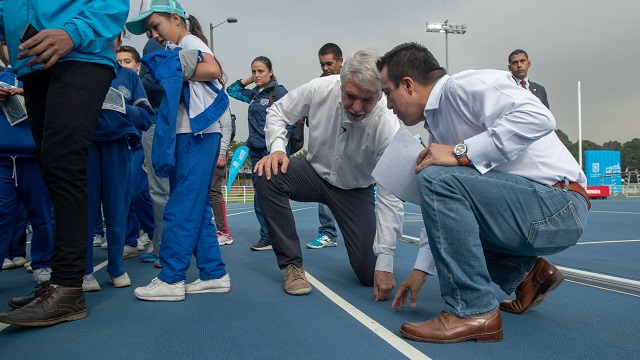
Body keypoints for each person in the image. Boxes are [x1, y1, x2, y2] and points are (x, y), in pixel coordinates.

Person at [376, 42, 589, 343]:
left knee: (436, 179)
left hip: (558, 205)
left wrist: (462, 152)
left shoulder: (464, 86)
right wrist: (421, 268)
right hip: (537, 212)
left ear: (408, 85)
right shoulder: (438, 129)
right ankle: (529, 277)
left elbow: (539, 117)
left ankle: (472, 310)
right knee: (439, 184)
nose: (387, 104)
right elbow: (443, 216)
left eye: (387, 92)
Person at [0, 0, 129, 327]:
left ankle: (69, 286)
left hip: (79, 54)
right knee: (52, 170)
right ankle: (59, 282)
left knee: (64, 164)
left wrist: (74, 32)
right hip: (31, 62)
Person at [253, 50, 404, 298]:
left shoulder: (388, 127)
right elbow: (277, 112)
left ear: (380, 95)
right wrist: (278, 149)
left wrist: (385, 264)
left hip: (355, 191)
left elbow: (390, 196)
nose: (356, 107)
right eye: (350, 96)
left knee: (369, 275)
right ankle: (292, 265)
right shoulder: (320, 88)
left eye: (367, 100)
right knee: (267, 173)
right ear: (341, 85)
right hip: (313, 174)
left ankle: (372, 263)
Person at [126, 0, 230, 301]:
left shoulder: (189, 40)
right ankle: (213, 273)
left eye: (155, 26)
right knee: (195, 209)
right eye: (149, 31)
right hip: (193, 134)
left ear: (175, 18)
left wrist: (173, 65)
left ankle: (172, 278)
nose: (154, 35)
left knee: (180, 207)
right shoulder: (183, 43)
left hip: (193, 135)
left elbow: (213, 68)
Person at [81, 32, 155, 292]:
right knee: (84, 211)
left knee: (117, 209)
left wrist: (122, 108)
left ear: (119, 41)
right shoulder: (78, 71)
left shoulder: (129, 76)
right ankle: (85, 271)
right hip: (85, 146)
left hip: (117, 147)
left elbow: (147, 115)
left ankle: (116, 267)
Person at [227, 56, 295, 251]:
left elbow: (292, 116)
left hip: (272, 151)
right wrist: (249, 80)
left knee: (277, 194)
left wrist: (283, 142)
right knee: (260, 195)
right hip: (256, 151)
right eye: (254, 71)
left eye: (260, 71)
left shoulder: (278, 92)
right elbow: (231, 90)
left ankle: (282, 236)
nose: (256, 75)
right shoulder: (254, 94)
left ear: (270, 72)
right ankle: (267, 236)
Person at [0, 43, 54, 283]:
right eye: (5, 43)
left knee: (42, 215)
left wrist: (29, 93)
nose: (10, 48)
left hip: (36, 157)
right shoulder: (2, 77)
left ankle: (43, 262)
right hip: (3, 159)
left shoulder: (46, 77)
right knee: (2, 215)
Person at [116, 44, 155, 255]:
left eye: (127, 61)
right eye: (119, 61)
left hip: (141, 145)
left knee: (139, 192)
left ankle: (154, 233)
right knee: (123, 196)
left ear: (138, 66)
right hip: (119, 145)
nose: (122, 65)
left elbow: (149, 117)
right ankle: (130, 241)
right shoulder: (110, 82)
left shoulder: (144, 85)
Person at [305, 42, 343, 250]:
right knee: (325, 187)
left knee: (357, 190)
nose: (325, 68)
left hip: (349, 145)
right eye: (322, 64)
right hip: (325, 146)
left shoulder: (351, 81)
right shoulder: (317, 85)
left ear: (340, 61)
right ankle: (328, 232)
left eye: (329, 63)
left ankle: (364, 233)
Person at [138, 33, 169, 267]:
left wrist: (133, 86)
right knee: (163, 188)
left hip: (157, 122)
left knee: (159, 189)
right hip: (166, 122)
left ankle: (164, 248)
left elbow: (152, 85)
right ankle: (160, 244)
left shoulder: (153, 45)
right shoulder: (184, 43)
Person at [208, 105, 235, 246]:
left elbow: (226, 127)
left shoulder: (219, 100)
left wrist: (222, 151)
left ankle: (224, 232)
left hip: (216, 152)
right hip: (200, 152)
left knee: (213, 191)